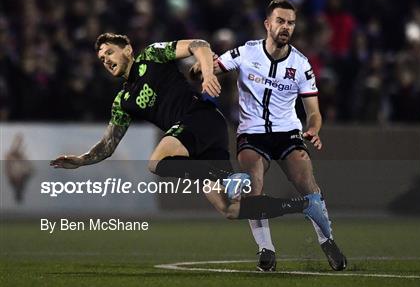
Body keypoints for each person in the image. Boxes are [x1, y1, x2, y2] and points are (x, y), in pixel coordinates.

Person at [50, 33, 332, 238]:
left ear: (127, 49)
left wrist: (208, 74)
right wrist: (82, 160)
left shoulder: (151, 55)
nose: (105, 60)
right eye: (101, 58)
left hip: (200, 120)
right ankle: (304, 205)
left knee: (156, 161)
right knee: (231, 210)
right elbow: (108, 145)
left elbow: (200, 46)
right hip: (193, 139)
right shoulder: (122, 100)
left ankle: (228, 178)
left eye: (109, 52)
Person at [195, 0, 347, 271]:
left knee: (307, 184)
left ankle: (328, 241)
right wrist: (202, 70)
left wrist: (313, 129)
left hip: (288, 132)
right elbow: (212, 67)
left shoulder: (301, 64)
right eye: (280, 21)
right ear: (268, 24)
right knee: (253, 185)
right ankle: (266, 250)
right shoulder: (245, 52)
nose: (285, 27)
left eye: (290, 22)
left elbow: (314, 112)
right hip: (252, 133)